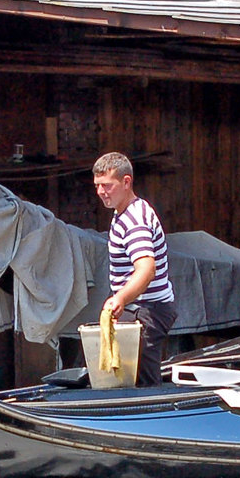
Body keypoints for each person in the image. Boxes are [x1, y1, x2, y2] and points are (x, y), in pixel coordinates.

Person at [93, 151, 177, 387]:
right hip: (141, 308)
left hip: (148, 311)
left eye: (107, 185)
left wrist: (119, 297)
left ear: (126, 182)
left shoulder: (134, 220)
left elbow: (146, 269)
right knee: (125, 377)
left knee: (142, 383)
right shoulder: (125, 212)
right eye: (97, 186)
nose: (101, 192)